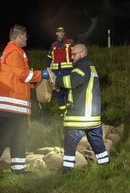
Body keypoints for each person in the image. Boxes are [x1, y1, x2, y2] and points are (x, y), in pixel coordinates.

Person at [0, 24, 49, 179]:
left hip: (16, 106)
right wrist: (42, 74)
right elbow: (22, 75)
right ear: (20, 36)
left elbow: (18, 78)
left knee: (19, 137)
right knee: (1, 138)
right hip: (9, 105)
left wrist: (32, 83)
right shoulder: (13, 52)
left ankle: (18, 169)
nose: (27, 38)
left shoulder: (15, 51)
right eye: (26, 36)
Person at [48, 44, 110, 173]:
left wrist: (56, 80)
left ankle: (67, 168)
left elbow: (72, 81)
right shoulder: (90, 67)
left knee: (70, 140)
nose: (71, 57)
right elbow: (79, 87)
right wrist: (63, 88)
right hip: (92, 113)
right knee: (95, 139)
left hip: (80, 114)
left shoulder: (82, 66)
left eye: (74, 54)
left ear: (82, 54)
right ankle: (105, 165)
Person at [46, 27, 75, 116]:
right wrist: (48, 68)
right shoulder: (53, 45)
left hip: (67, 71)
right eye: (59, 32)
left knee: (68, 92)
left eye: (62, 32)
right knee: (58, 93)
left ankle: (69, 112)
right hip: (56, 73)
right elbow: (49, 57)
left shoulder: (70, 42)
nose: (61, 33)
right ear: (56, 33)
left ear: (64, 33)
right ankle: (62, 113)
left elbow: (76, 53)